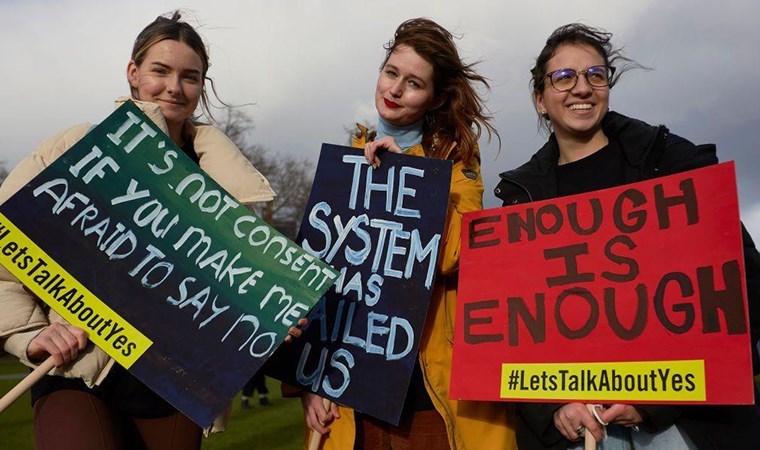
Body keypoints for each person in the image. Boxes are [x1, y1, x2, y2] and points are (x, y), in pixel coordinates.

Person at [0, 11, 303, 450]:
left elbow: (238, 290)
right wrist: (30, 337)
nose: (173, 88)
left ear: (202, 86)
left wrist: (272, 317)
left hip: (174, 383)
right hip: (77, 370)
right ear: (133, 72)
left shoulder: (222, 182)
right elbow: (4, 252)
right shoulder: (74, 150)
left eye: (190, 76)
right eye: (160, 71)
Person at [494, 22, 760, 450]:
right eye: (563, 77)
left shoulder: (673, 165)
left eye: (595, 75)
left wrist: (659, 400)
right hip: (576, 430)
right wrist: (551, 406)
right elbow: (507, 331)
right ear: (540, 100)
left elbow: (742, 286)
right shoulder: (520, 201)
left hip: (684, 425)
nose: (581, 88)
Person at [298, 18, 516, 450]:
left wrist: (409, 178)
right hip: (350, 395)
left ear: (435, 97)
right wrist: (310, 379)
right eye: (391, 73)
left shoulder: (457, 166)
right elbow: (319, 277)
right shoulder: (347, 164)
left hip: (426, 399)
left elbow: (456, 255)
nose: (395, 90)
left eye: (413, 83)